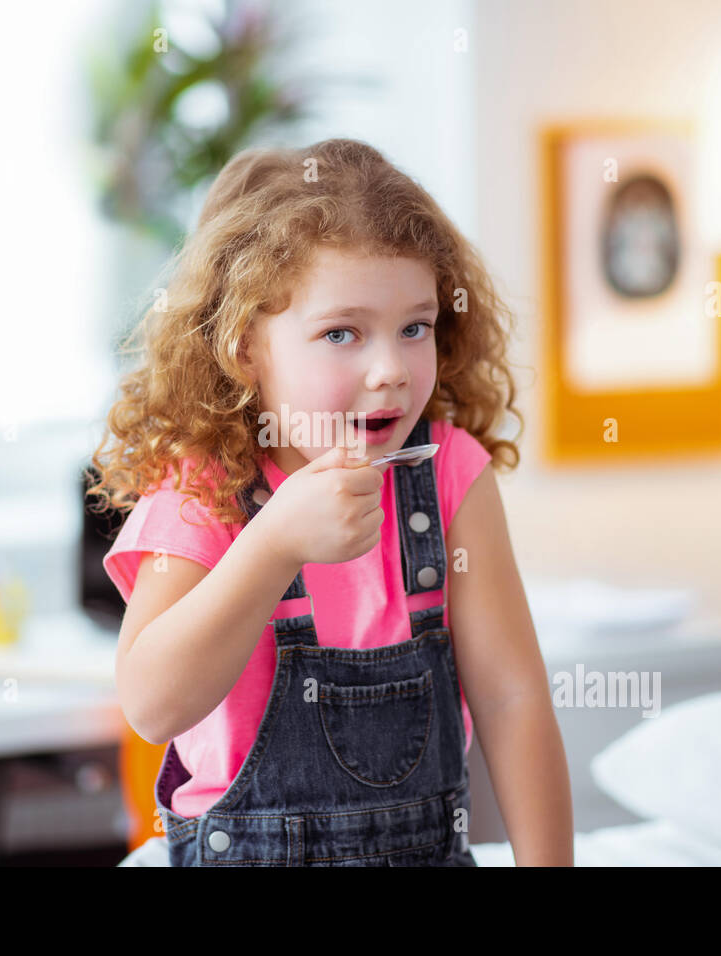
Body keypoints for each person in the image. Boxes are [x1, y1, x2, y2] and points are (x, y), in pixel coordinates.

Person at [88, 138, 572, 866]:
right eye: (341, 333)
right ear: (245, 346)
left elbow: (513, 702)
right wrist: (274, 542)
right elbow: (154, 706)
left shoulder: (449, 477)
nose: (389, 372)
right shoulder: (203, 489)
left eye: (415, 327)